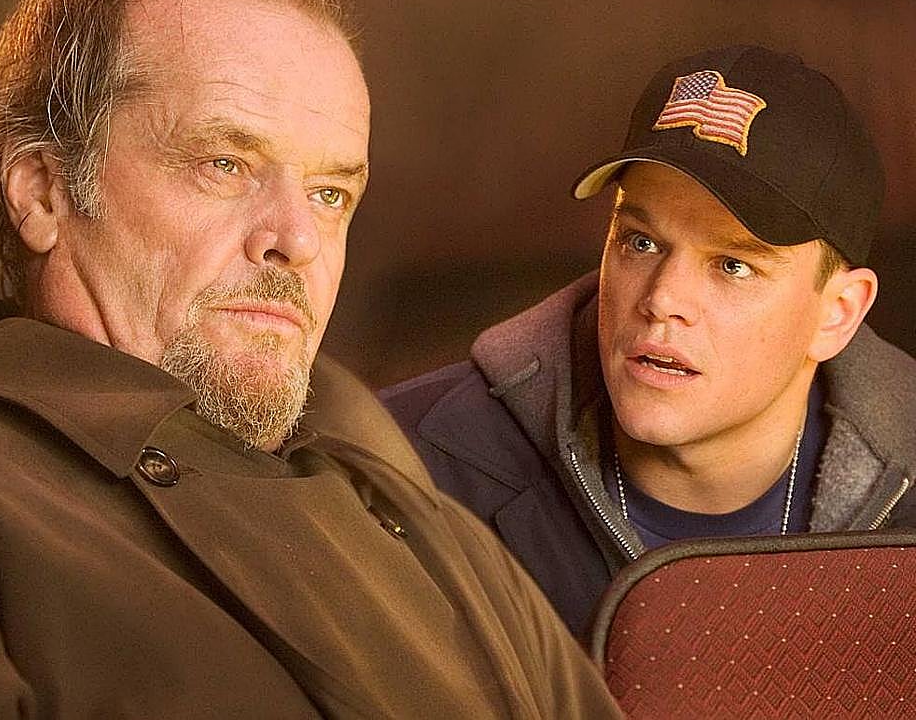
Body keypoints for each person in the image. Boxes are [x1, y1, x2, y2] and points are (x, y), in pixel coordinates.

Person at [0, 0, 621, 718]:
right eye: (226, 164)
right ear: (43, 192)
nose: (296, 240)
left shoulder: (435, 533)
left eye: (331, 192)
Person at [382, 44, 916, 640]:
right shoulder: (401, 467)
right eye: (640, 242)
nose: (662, 299)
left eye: (733, 265)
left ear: (837, 314)